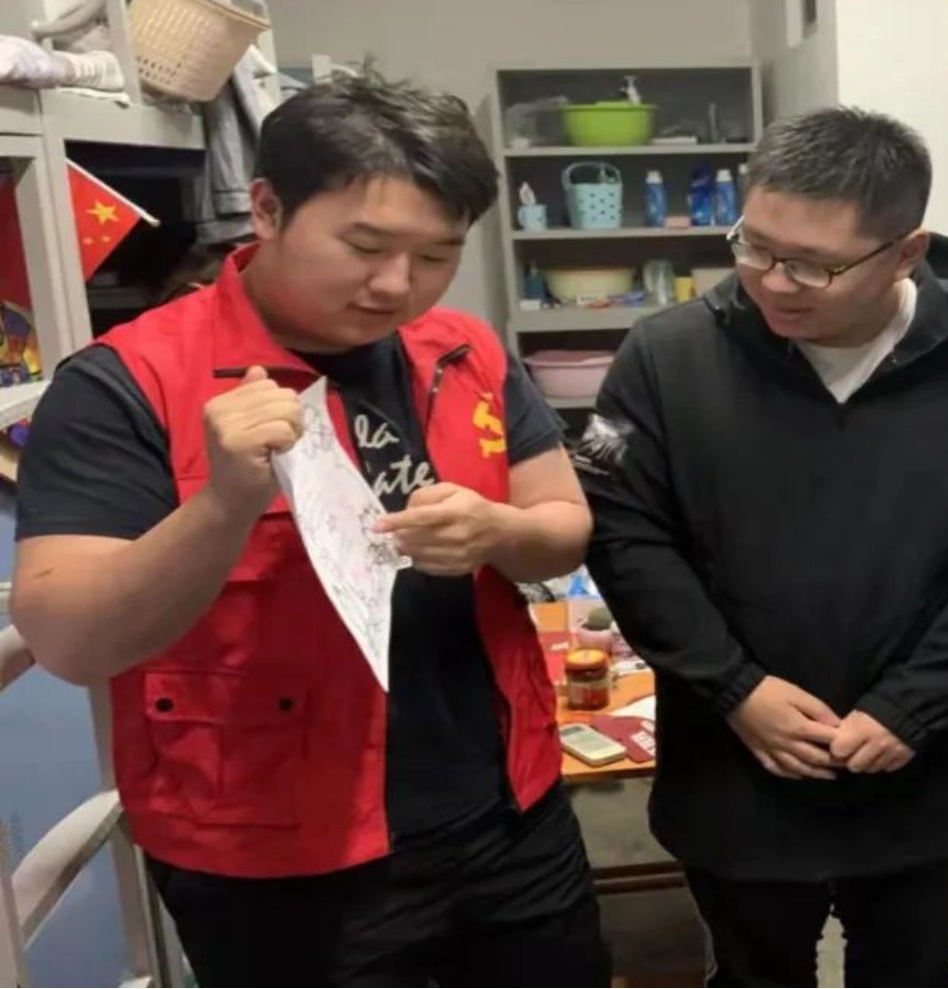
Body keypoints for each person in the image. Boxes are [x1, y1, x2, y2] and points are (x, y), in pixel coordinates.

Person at [9, 74, 610, 987]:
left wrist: (496, 532)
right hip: (274, 853)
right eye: (364, 247)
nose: (397, 285)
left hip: (505, 813)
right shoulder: (127, 383)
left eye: (436, 255)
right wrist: (221, 507)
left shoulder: (463, 350)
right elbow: (71, 641)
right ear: (266, 209)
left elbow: (562, 526)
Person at [576, 106, 948, 988]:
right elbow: (626, 534)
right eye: (754, 246)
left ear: (907, 252)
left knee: (911, 970)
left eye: (813, 264)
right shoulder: (669, 356)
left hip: (918, 767)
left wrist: (912, 706)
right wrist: (736, 688)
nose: (774, 282)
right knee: (754, 970)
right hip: (734, 763)